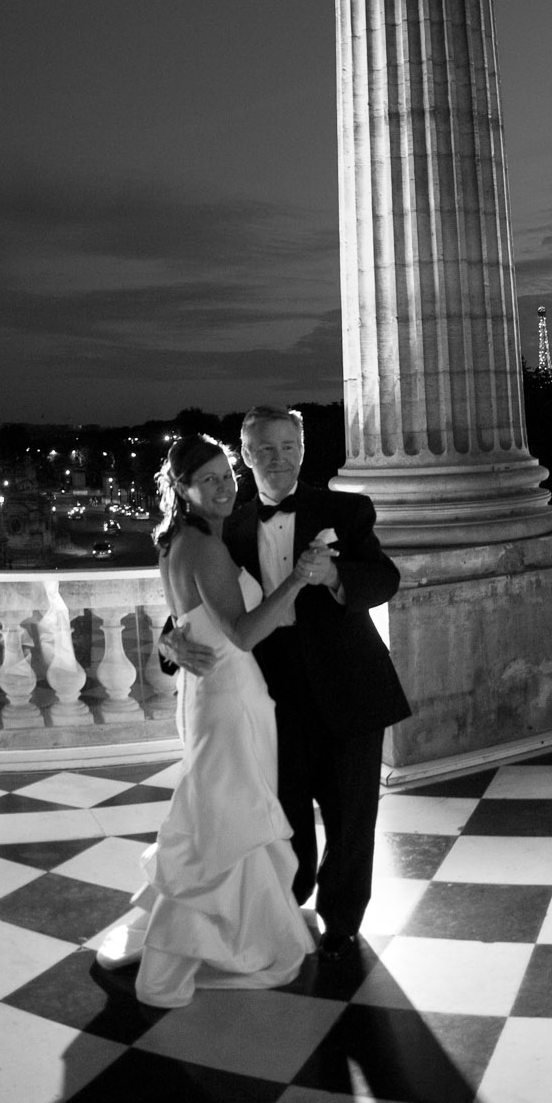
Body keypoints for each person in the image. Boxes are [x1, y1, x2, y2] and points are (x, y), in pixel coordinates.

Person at [168, 405, 408, 963]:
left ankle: (342, 924)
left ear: (302, 450)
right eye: (264, 449)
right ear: (247, 455)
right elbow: (200, 603)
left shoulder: (345, 509)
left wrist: (337, 576)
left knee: (351, 819)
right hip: (271, 697)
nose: (277, 458)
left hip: (349, 687)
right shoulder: (227, 526)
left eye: (287, 446)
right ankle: (285, 911)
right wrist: (168, 642)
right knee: (286, 814)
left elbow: (386, 579)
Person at [93, 433, 317, 1008]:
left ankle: (245, 928)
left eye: (226, 475)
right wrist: (298, 578)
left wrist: (171, 640)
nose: (223, 487)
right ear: (183, 488)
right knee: (230, 821)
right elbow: (242, 634)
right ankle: (194, 953)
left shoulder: (177, 540)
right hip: (229, 697)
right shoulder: (205, 547)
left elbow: (186, 620)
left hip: (205, 691)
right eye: (208, 479)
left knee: (221, 815)